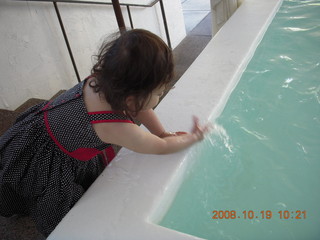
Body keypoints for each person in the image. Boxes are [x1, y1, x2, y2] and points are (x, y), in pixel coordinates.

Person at [0, 29, 210, 236]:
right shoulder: (113, 127)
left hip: (39, 131)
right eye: (159, 92)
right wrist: (192, 138)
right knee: (53, 204)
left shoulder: (104, 80)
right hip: (49, 160)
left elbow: (143, 109)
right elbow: (160, 147)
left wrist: (162, 132)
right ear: (131, 99)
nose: (160, 95)